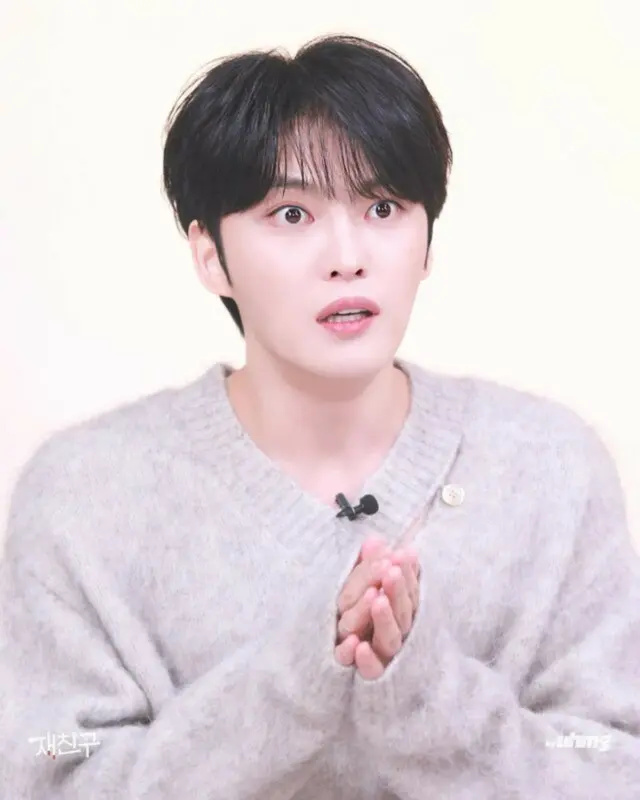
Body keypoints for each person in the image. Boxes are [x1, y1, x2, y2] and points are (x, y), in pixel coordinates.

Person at [0, 33, 639, 800]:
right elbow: (51, 768)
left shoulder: (552, 467)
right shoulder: (83, 495)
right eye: (292, 213)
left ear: (427, 242)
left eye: (382, 207)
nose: (347, 255)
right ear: (210, 255)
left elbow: (610, 761)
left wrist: (428, 697)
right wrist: (295, 679)